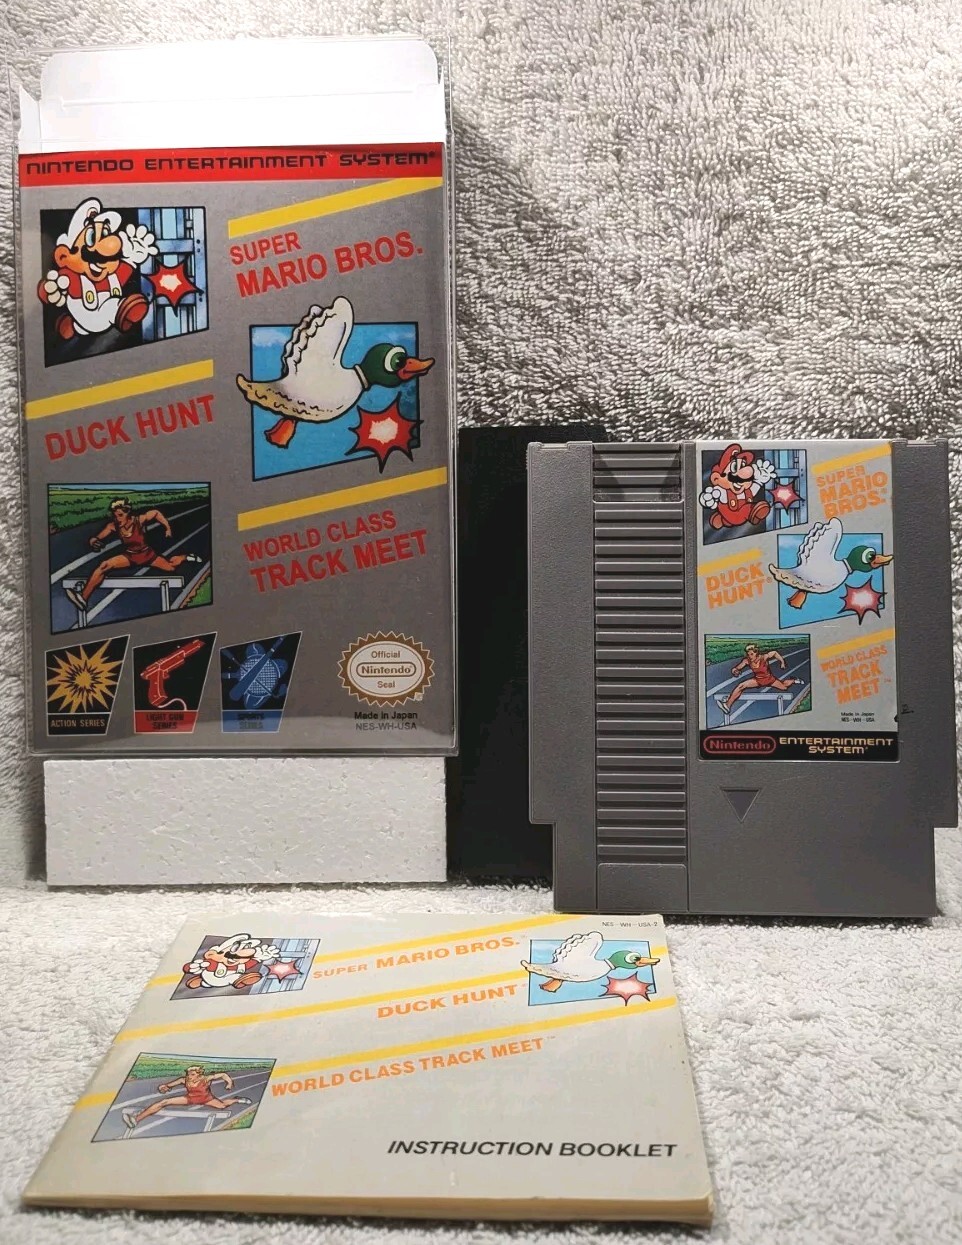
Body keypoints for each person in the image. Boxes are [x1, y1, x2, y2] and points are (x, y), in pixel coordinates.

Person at [64, 497, 199, 611]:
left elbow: (156, 513)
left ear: (127, 513)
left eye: (120, 515)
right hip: (130, 556)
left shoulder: (139, 520)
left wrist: (167, 527)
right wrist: (93, 541)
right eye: (115, 516)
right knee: (104, 566)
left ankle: (184, 557)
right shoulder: (113, 526)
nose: (118, 518)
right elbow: (98, 537)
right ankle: (83, 598)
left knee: (171, 567)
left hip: (147, 555)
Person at [121, 1065, 251, 1131]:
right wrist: (164, 1087)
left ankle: (237, 1099)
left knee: (222, 1105)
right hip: (190, 1099)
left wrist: (229, 1083)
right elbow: (169, 1085)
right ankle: (136, 1119)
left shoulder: (206, 1079)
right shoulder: (184, 1080)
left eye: (192, 1074)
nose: (189, 1076)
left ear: (198, 1074)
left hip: (207, 1099)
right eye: (188, 1073)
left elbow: (223, 1075)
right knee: (164, 1102)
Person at [719, 643, 800, 714]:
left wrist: (782, 662)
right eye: (748, 654)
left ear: (756, 653)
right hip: (758, 680)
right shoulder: (747, 661)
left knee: (784, 687)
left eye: (751, 654)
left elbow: (775, 653)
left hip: (769, 679)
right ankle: (727, 706)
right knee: (741, 686)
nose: (750, 656)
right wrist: (735, 671)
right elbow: (736, 668)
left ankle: (793, 680)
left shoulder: (763, 657)